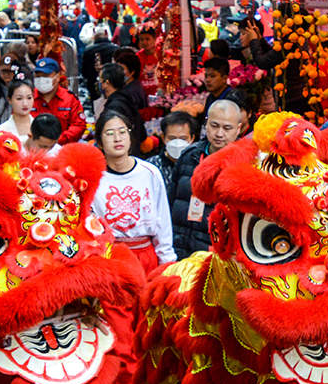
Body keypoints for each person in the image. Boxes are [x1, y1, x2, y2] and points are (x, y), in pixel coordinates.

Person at [91, 110, 176, 274]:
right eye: (109, 133)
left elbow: (163, 222)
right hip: (109, 257)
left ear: (130, 136)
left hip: (145, 256)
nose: (117, 138)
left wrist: (167, 264)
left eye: (122, 132)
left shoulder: (150, 173)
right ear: (100, 142)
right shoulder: (94, 177)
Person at [169, 99, 242, 260]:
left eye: (227, 128)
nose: (219, 133)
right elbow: (170, 200)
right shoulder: (189, 156)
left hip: (215, 253)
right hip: (180, 248)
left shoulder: (244, 164)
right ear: (206, 124)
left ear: (238, 129)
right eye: (214, 126)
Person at [31, 58, 86, 144]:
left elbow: (78, 125)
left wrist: (58, 140)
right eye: (38, 76)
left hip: (63, 148)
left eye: (45, 75)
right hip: (34, 148)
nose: (41, 79)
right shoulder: (28, 97)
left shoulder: (69, 99)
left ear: (57, 77)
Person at [98, 63, 147, 156]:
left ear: (106, 83)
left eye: (100, 80)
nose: (99, 83)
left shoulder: (115, 107)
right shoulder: (127, 99)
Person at [149, 111, 197, 193]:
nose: (177, 143)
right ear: (163, 138)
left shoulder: (198, 164)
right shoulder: (152, 166)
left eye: (183, 138)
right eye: (172, 138)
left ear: (192, 138)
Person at [0, 80, 34, 146]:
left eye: (29, 98)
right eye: (19, 98)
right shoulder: (1, 131)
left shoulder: (41, 127)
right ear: (10, 100)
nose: (25, 103)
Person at [136, 25, 160, 98]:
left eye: (147, 39)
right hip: (142, 96)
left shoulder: (161, 54)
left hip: (159, 95)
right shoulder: (137, 57)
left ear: (154, 39)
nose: (144, 42)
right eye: (141, 39)